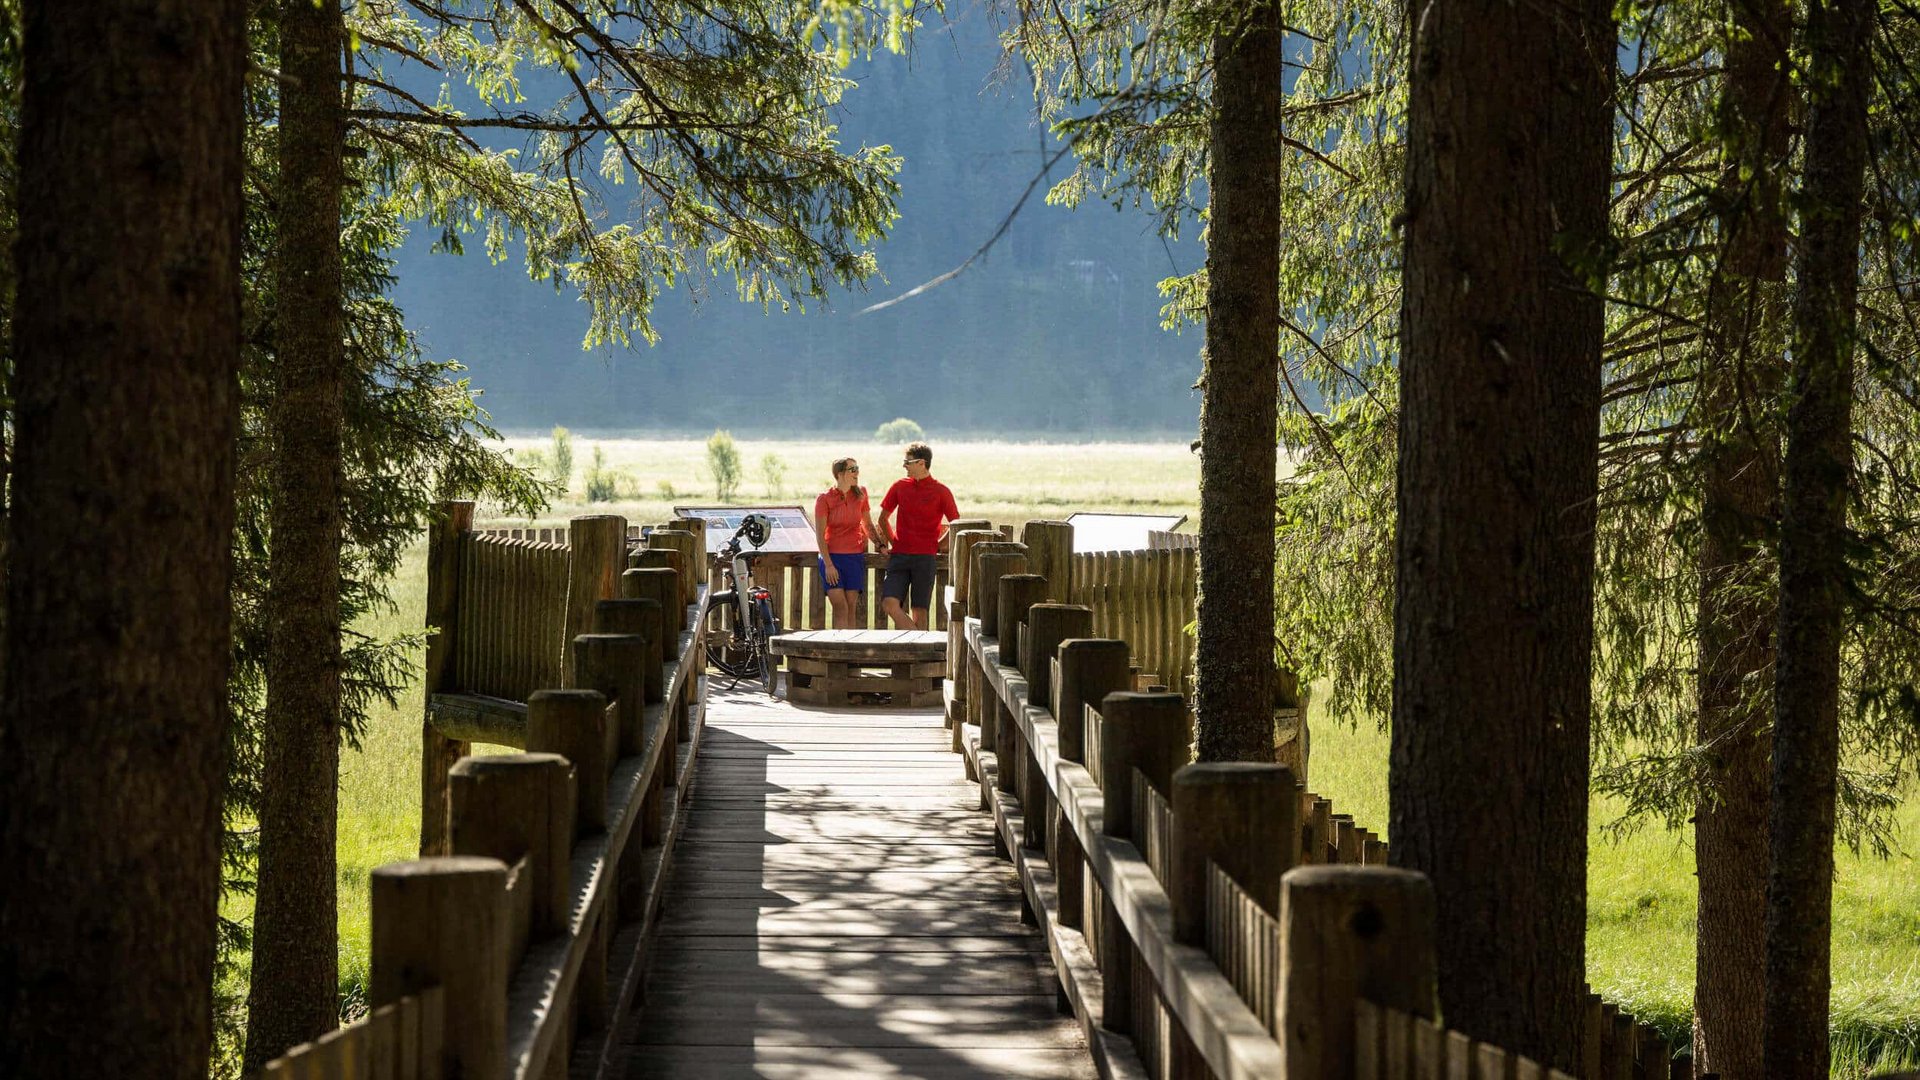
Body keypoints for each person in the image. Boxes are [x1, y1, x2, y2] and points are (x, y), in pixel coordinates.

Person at [877, 442, 959, 630]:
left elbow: (956, 524)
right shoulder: (899, 486)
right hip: (899, 557)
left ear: (922, 463)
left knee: (919, 612)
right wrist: (893, 541)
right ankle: (917, 638)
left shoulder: (941, 491)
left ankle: (915, 655)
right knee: (889, 603)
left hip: (925, 559)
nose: (904, 465)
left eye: (908, 462)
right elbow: (882, 519)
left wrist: (937, 545)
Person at [813, 457, 886, 628]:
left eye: (857, 468)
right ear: (840, 474)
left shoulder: (861, 494)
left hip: (854, 557)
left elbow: (867, 524)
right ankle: (839, 650)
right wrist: (829, 565)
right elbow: (820, 535)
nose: (856, 473)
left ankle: (849, 652)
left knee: (851, 607)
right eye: (852, 469)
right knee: (841, 607)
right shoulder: (824, 499)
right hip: (832, 558)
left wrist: (881, 545)